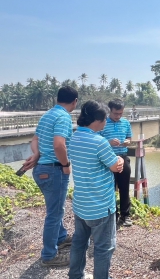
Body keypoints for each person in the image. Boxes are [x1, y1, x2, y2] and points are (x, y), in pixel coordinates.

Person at [68, 100, 124, 279]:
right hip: (101, 205)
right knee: (103, 248)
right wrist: (120, 160)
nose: (106, 122)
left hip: (81, 204)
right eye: (105, 119)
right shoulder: (99, 142)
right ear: (98, 120)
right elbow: (115, 167)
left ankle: (75, 275)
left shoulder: (74, 137)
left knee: (79, 243)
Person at [28, 86, 78, 267]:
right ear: (75, 102)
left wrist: (36, 155)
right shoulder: (64, 116)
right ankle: (49, 256)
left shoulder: (47, 115)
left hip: (41, 169)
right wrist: (66, 165)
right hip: (54, 170)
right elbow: (59, 145)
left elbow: (35, 140)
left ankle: (61, 237)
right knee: (54, 214)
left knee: (55, 208)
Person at [100, 99, 133, 227]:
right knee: (110, 188)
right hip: (108, 158)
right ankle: (113, 215)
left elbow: (129, 137)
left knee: (124, 187)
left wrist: (128, 141)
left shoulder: (125, 122)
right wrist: (108, 142)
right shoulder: (102, 123)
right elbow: (98, 140)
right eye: (115, 113)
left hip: (123, 157)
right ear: (110, 111)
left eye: (120, 113)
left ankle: (126, 215)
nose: (118, 116)